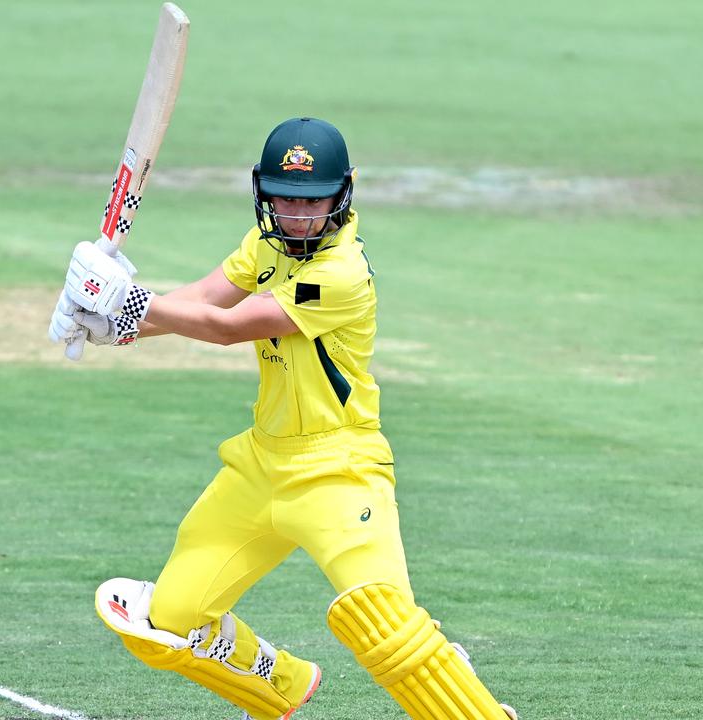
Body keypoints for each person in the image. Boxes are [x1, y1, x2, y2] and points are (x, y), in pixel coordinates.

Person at [48, 117, 517, 720]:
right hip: (260, 467)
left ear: (343, 193)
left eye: (312, 199)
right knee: (164, 622)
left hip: (339, 472)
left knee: (387, 628)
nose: (296, 214)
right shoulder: (267, 244)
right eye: (284, 199)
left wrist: (123, 298)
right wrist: (113, 324)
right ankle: (278, 686)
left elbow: (228, 329)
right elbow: (203, 301)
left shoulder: (341, 273)